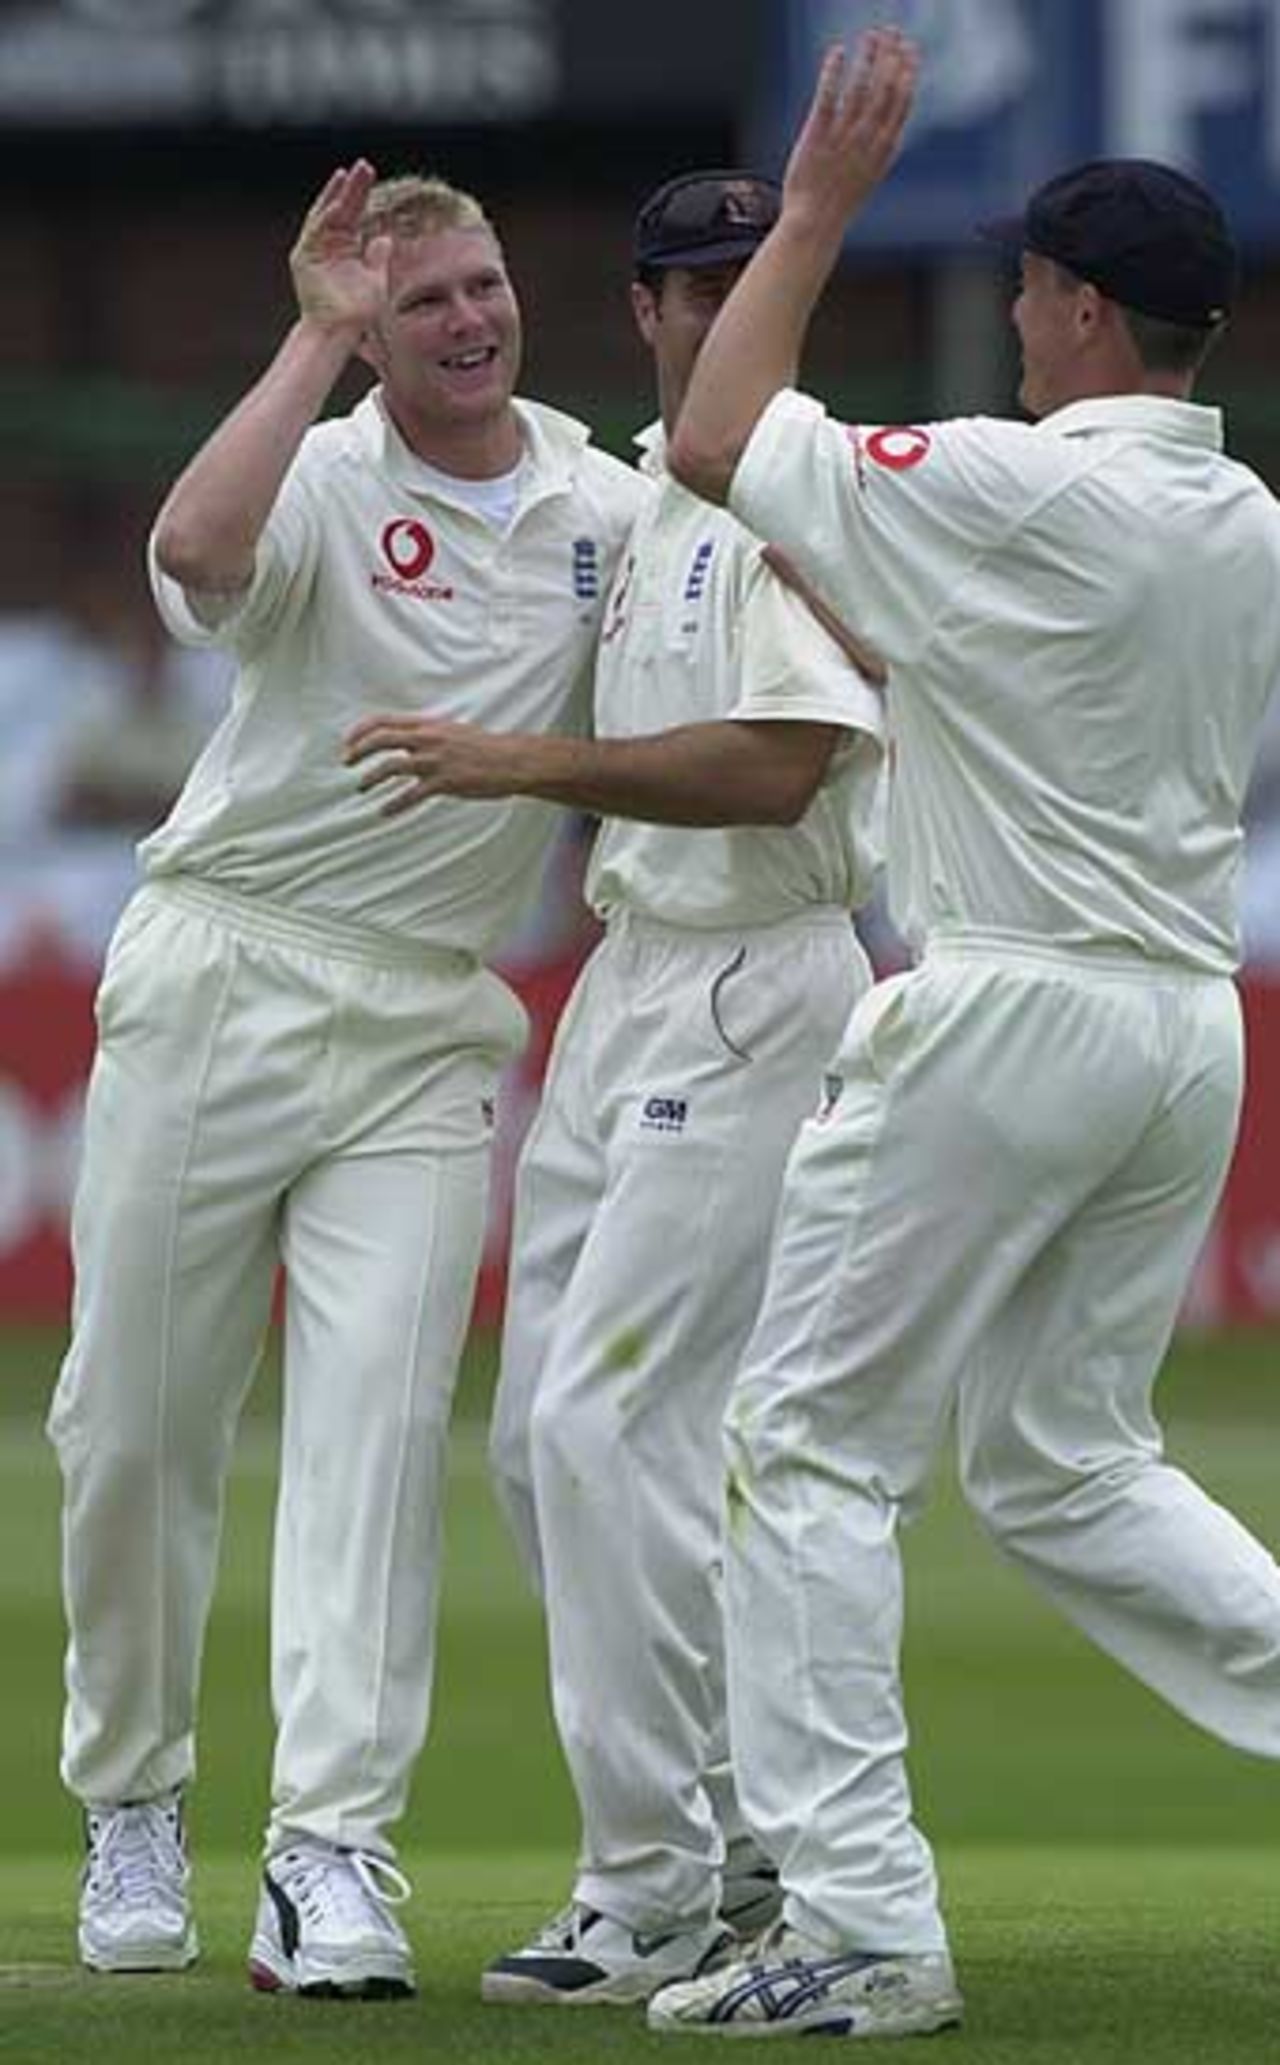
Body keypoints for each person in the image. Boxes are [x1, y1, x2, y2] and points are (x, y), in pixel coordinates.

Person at [640, 24, 1280, 2041]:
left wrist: (818, 208)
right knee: (1063, 1457)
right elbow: (1001, 659)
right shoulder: (1243, 513)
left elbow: (714, 440)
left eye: (1024, 285)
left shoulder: (1014, 484)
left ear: (1083, 310)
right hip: (1182, 1024)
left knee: (806, 1446)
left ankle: (856, 1922)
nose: (1007, 314)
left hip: (1008, 1007)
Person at [46, 161, 643, 1999]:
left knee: (376, 1439)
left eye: (480, 285)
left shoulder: (602, 507)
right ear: (372, 333)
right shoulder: (316, 471)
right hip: (226, 967)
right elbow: (198, 555)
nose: (465, 321)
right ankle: (134, 1798)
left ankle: (330, 1851)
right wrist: (310, 339)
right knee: (132, 1427)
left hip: (426, 1019)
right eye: (420, 302)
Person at [344, 168, 888, 2007]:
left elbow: (783, 764)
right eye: (696, 289)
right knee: (539, 1441)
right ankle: (731, 1833)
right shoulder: (649, 494)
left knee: (609, 1426)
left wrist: (520, 762)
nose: (727, 313)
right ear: (648, 311)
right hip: (629, 979)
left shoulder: (794, 502)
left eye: (758, 283)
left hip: (751, 979)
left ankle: (654, 1882)